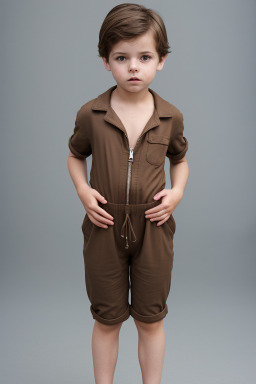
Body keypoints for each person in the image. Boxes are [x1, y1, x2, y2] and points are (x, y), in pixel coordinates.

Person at [67, 3, 189, 383]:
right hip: (103, 225)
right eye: (122, 57)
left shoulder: (170, 116)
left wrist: (177, 193)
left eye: (144, 56)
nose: (133, 67)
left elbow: (180, 161)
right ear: (106, 60)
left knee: (151, 319)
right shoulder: (91, 114)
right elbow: (75, 155)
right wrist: (84, 191)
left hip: (154, 226)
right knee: (107, 319)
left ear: (161, 60)